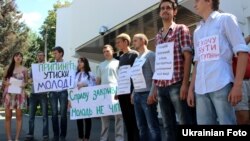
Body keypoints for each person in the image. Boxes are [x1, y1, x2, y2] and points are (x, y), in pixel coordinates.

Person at [187, 0, 250, 125]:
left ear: (209, 1)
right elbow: (198, 62)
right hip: (200, 90)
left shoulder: (225, 19)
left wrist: (237, 86)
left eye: (197, 0)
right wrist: (191, 89)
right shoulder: (197, 31)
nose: (194, 4)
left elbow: (242, 52)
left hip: (221, 85)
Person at [152, 0, 194, 140]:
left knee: (184, 123)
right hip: (162, 87)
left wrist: (185, 84)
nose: (165, 10)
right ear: (159, 13)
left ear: (174, 11)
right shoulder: (157, 36)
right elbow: (159, 64)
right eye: (162, 8)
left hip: (177, 84)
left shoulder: (181, 29)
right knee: (167, 125)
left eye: (168, 8)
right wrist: (156, 87)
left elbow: (188, 56)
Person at [131, 33, 161, 141]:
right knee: (141, 127)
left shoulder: (151, 55)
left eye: (135, 40)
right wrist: (133, 93)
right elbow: (136, 77)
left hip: (147, 94)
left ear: (143, 41)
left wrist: (152, 92)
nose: (133, 43)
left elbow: (156, 74)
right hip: (138, 96)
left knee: (152, 126)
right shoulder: (137, 59)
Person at [96, 44, 124, 141]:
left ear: (113, 51)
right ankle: (104, 138)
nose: (106, 53)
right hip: (104, 94)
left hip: (116, 93)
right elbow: (98, 80)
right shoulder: (100, 65)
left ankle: (119, 138)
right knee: (104, 118)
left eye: (107, 51)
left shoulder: (118, 63)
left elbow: (122, 79)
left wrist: (119, 91)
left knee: (118, 117)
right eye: (104, 52)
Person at [115, 33, 139, 141]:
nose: (117, 44)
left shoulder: (134, 54)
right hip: (122, 92)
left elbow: (137, 73)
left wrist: (134, 91)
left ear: (125, 42)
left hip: (131, 92)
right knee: (127, 119)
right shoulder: (121, 57)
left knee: (134, 119)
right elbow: (121, 76)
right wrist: (117, 90)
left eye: (119, 42)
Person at [2, 52, 28, 141]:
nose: (18, 57)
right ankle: (9, 138)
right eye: (17, 55)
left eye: (20, 56)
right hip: (9, 95)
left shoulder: (25, 69)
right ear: (13, 57)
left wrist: (24, 84)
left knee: (19, 116)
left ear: (22, 59)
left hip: (20, 95)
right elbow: (3, 80)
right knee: (8, 116)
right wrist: (6, 83)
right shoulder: (8, 68)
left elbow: (26, 81)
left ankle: (17, 138)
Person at [25, 51, 49, 141]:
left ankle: (45, 135)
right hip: (33, 94)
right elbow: (30, 80)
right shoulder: (33, 67)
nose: (39, 57)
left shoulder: (48, 67)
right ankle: (30, 134)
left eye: (41, 55)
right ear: (37, 57)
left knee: (45, 116)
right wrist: (29, 79)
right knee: (31, 116)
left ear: (44, 56)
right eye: (38, 56)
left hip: (43, 94)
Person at [74, 57, 96, 141]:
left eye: (81, 62)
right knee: (79, 118)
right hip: (77, 100)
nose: (79, 63)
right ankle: (80, 136)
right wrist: (70, 100)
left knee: (87, 118)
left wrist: (85, 84)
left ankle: (87, 137)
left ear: (85, 63)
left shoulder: (90, 74)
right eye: (78, 62)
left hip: (87, 100)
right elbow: (72, 88)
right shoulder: (76, 74)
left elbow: (94, 86)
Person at [50, 46, 68, 141]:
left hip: (63, 91)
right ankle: (56, 135)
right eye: (53, 53)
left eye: (55, 53)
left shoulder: (67, 65)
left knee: (63, 114)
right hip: (53, 92)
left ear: (61, 53)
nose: (54, 55)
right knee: (54, 114)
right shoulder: (51, 65)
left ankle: (63, 135)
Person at [235, 35, 250, 124]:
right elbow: (240, 43)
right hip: (241, 83)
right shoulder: (235, 47)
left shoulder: (246, 51)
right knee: (243, 118)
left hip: (249, 81)